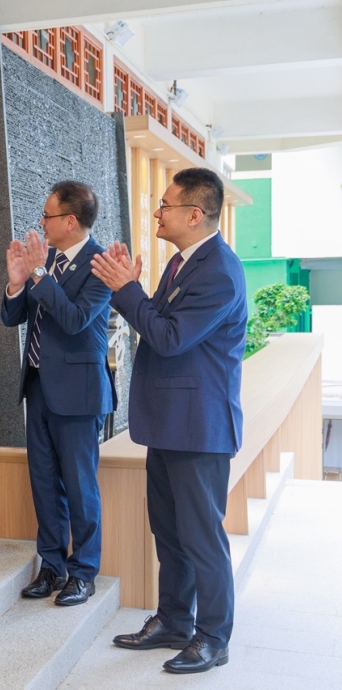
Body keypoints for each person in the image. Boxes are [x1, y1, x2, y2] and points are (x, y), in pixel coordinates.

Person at [91, 168, 246, 674]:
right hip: (169, 423)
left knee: (201, 538)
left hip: (199, 428)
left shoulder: (219, 271)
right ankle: (175, 621)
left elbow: (170, 338)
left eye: (165, 205)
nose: (157, 212)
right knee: (170, 533)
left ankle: (213, 638)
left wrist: (128, 289)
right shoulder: (183, 263)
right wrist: (129, 290)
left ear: (194, 214)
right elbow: (156, 324)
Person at [0, 181, 115, 606]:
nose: (41, 222)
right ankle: (51, 566)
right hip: (38, 386)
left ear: (69, 221)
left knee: (80, 486)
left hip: (79, 393)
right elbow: (14, 317)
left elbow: (75, 320)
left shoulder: (101, 264)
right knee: (44, 482)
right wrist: (17, 283)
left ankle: (83, 573)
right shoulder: (42, 260)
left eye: (47, 216)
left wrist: (38, 274)